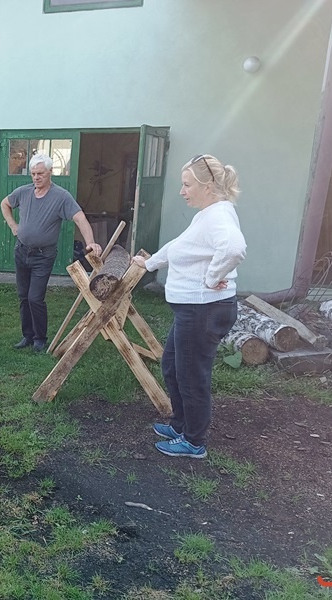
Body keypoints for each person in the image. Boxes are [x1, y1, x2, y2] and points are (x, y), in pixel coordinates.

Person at [132, 154, 247, 459]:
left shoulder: (219, 216)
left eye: (187, 185)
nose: (182, 191)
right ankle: (181, 425)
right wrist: (149, 263)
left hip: (203, 310)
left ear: (207, 186)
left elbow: (234, 248)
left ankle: (194, 441)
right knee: (172, 366)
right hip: (193, 310)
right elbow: (180, 246)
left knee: (192, 375)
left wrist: (212, 278)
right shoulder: (207, 214)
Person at [0, 153, 102, 352]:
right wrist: (13, 225)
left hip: (43, 256)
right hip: (21, 251)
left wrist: (90, 242)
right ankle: (27, 336)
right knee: (23, 296)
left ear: (50, 172)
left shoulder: (61, 196)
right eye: (33, 174)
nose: (36, 177)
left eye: (40, 173)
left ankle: (40, 338)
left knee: (35, 298)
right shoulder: (23, 192)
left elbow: (80, 218)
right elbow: (5, 204)